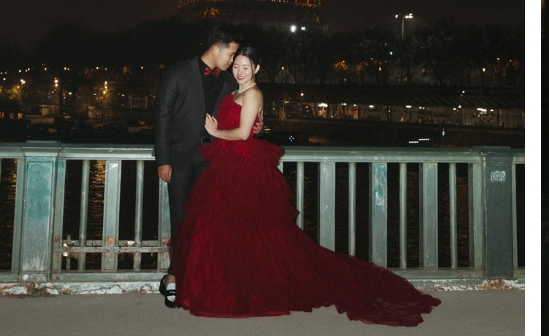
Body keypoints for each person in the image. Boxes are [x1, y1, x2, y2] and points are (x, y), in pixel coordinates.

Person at [170, 46, 441, 323]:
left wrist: (216, 131)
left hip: (242, 166)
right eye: (236, 66)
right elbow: (249, 126)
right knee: (228, 231)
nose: (239, 71)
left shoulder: (253, 92)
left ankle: (242, 288)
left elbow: (242, 133)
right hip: (227, 165)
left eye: (246, 67)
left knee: (251, 232)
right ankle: (229, 285)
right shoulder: (236, 91)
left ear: (257, 69)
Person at [154, 26, 242, 307]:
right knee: (181, 219)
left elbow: (235, 119)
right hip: (179, 159)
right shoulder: (178, 72)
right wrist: (163, 159)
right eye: (231, 54)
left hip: (211, 158)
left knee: (205, 220)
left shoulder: (228, 82)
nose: (232, 60)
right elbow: (162, 116)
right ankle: (173, 277)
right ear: (216, 48)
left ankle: (194, 276)